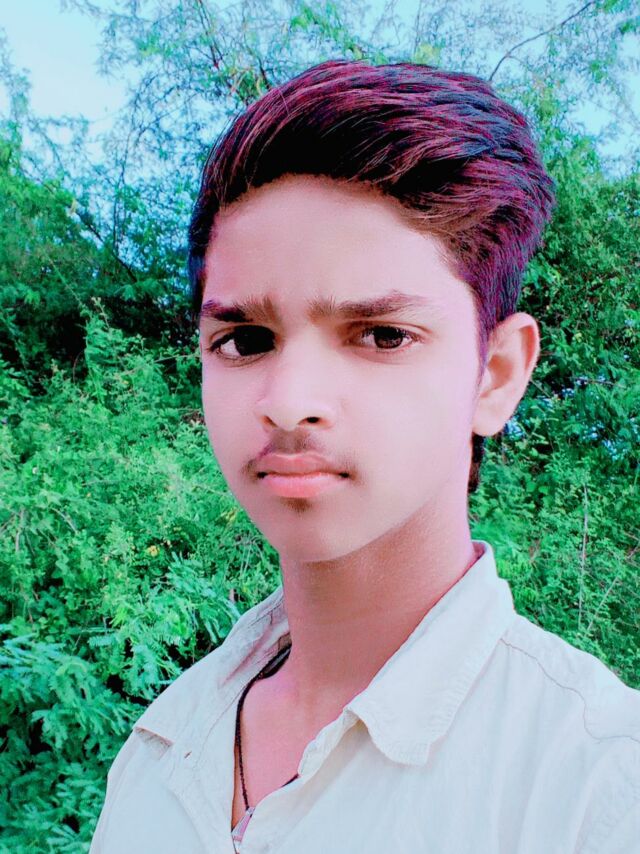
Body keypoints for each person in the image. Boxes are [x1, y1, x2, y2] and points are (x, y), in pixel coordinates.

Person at [90, 59, 640, 853]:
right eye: (245, 339)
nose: (289, 400)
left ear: (495, 374)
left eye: (382, 336)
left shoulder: (598, 787)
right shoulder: (163, 743)